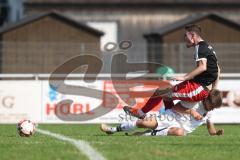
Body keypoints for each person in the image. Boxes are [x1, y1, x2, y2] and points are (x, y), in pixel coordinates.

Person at [124, 24, 221, 119]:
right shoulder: (208, 47)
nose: (184, 38)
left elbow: (202, 67)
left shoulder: (199, 47)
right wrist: (214, 89)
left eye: (185, 35)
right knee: (165, 93)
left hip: (198, 88)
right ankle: (167, 119)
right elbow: (218, 69)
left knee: (160, 92)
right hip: (197, 86)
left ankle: (141, 113)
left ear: (192, 35)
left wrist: (185, 77)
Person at [101, 89, 223, 136]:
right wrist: (192, 112)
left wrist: (216, 133)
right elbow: (176, 108)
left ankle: (145, 135)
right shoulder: (195, 101)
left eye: (213, 108)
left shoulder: (209, 112)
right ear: (206, 100)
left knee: (180, 133)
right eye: (211, 106)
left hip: (179, 129)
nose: (211, 109)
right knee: (144, 123)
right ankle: (112, 130)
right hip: (171, 116)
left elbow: (211, 130)